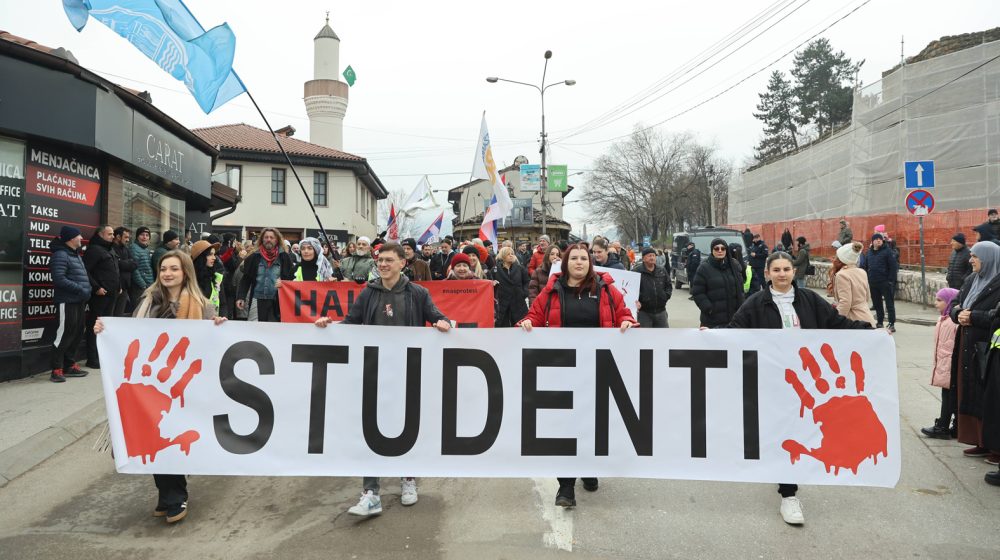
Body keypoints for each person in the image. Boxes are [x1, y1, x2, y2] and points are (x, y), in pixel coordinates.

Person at [728, 251, 873, 525]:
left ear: (794, 272)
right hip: (773, 382)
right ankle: (788, 492)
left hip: (807, 384)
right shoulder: (756, 303)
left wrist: (870, 331)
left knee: (797, 431)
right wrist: (708, 336)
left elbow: (837, 324)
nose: (782, 274)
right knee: (782, 431)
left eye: (787, 269)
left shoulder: (809, 300)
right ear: (767, 274)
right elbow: (734, 331)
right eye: (777, 270)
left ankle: (787, 487)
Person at [314, 243, 451, 517]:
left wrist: (443, 323)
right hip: (375, 371)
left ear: (403, 263)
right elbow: (351, 324)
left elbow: (439, 318)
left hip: (408, 372)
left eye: (389, 259)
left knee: (407, 427)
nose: (383, 264)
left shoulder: (418, 293)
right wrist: (330, 328)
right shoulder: (369, 293)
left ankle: (408, 478)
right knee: (372, 432)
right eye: (380, 260)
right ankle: (370, 492)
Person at [94, 250, 227, 524]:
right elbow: (131, 336)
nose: (167, 274)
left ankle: (173, 496)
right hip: (150, 386)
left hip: (183, 387)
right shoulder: (148, 302)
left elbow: (210, 347)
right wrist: (105, 330)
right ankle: (170, 495)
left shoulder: (203, 306)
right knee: (152, 437)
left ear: (185, 272)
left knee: (170, 437)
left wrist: (218, 326)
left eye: (174, 269)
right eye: (163, 268)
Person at [518, 243, 635, 508]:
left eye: (584, 258)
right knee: (565, 428)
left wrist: (627, 321)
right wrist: (526, 323)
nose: (579, 262)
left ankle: (590, 468)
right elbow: (534, 316)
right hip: (563, 370)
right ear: (565, 263)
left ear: (590, 263)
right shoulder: (552, 290)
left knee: (592, 424)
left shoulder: (605, 288)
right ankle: (566, 487)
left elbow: (623, 312)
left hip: (597, 369)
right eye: (574, 258)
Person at [948, 241, 1000, 459]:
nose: (971, 260)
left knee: (988, 395)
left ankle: (994, 446)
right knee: (969, 391)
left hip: (987, 346)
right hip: (966, 343)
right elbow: (956, 304)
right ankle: (979, 440)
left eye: (975, 256)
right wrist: (958, 313)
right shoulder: (971, 280)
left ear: (987, 259)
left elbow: (995, 316)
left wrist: (973, 317)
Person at [48, 226, 91, 383]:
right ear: (70, 238)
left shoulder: (75, 255)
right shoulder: (60, 255)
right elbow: (59, 278)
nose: (81, 239)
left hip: (78, 301)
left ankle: (69, 365)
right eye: (78, 236)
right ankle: (56, 369)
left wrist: (88, 289)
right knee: (64, 334)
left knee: (77, 332)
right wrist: (80, 289)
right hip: (66, 301)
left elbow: (81, 276)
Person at [920, 288, 961, 440]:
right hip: (944, 364)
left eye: (939, 300)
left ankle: (943, 426)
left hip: (950, 365)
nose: (935, 303)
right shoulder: (943, 319)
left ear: (949, 302)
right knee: (951, 395)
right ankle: (955, 427)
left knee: (949, 395)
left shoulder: (953, 322)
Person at [235, 228, 295, 322]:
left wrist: (283, 282)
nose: (269, 239)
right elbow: (246, 279)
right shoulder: (254, 257)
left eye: (272, 237)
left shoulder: (284, 257)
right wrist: (241, 297)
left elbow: (292, 279)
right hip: (257, 299)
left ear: (277, 240)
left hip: (277, 301)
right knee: (255, 331)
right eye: (266, 237)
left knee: (274, 331)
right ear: (262, 239)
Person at [83, 225, 119, 368]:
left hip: (112, 293)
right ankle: (92, 358)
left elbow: (115, 269)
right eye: (109, 234)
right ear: (100, 234)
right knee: (95, 326)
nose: (112, 236)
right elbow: (86, 271)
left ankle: (102, 355)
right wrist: (96, 287)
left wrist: (119, 285)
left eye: (113, 234)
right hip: (100, 296)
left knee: (106, 327)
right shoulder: (94, 250)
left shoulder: (109, 249)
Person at [691, 238, 745, 328]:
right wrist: (709, 309)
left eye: (723, 248)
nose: (720, 251)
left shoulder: (734, 265)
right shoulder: (704, 268)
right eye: (716, 248)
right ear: (712, 250)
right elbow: (697, 292)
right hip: (712, 320)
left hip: (734, 318)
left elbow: (740, 288)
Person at [861, 233, 899, 332]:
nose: (878, 240)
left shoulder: (887, 252)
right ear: (872, 241)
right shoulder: (869, 252)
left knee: (889, 304)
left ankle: (891, 323)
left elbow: (893, 267)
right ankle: (880, 322)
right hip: (873, 282)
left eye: (880, 239)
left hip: (885, 282)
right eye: (876, 239)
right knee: (877, 304)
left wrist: (890, 281)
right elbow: (865, 266)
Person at [833, 242, 875, 326]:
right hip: (867, 318)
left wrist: (835, 321)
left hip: (854, 321)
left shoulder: (842, 275)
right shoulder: (862, 272)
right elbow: (867, 297)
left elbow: (845, 303)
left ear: (841, 259)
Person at [633, 246, 672, 327]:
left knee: (663, 337)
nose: (652, 258)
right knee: (645, 337)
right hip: (644, 313)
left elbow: (668, 285)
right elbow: (631, 289)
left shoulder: (662, 270)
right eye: (649, 256)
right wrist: (639, 299)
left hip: (661, 311)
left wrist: (665, 296)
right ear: (643, 259)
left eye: (653, 255)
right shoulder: (636, 271)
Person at [494, 246, 529, 327]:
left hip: (518, 302)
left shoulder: (520, 268)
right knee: (503, 328)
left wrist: (523, 293)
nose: (511, 255)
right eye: (508, 254)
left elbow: (527, 282)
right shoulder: (495, 269)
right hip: (503, 303)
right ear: (502, 256)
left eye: (512, 254)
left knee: (520, 327)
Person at [190, 239, 222, 312]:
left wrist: (223, 319)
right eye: (210, 254)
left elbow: (223, 304)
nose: (214, 258)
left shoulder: (217, 277)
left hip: (215, 322)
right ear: (200, 257)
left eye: (214, 254)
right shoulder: (189, 279)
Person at [111, 226, 136, 316]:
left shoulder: (126, 249)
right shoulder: (111, 248)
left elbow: (135, 264)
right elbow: (115, 264)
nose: (128, 240)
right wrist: (126, 263)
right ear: (118, 237)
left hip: (125, 287)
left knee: (119, 315)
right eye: (126, 237)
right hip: (115, 287)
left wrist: (122, 262)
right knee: (111, 315)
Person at [130, 227, 155, 315]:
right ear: (137, 236)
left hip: (148, 285)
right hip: (139, 287)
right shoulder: (134, 248)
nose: (144, 237)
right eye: (142, 235)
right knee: (138, 312)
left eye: (147, 235)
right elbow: (134, 269)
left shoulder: (146, 249)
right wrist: (143, 284)